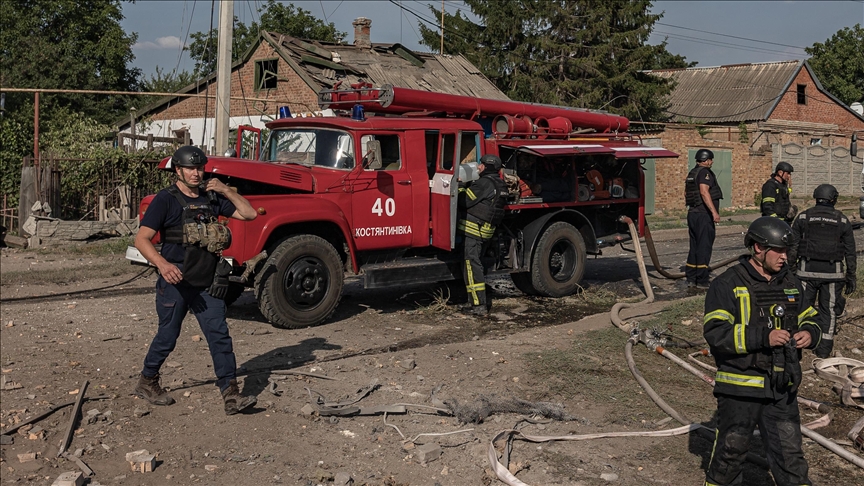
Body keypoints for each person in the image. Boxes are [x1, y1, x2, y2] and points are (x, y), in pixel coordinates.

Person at [133, 146, 259, 415]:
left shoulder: (212, 198)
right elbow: (141, 239)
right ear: (178, 170)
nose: (196, 172)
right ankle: (147, 380)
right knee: (168, 335)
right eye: (190, 168)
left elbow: (249, 214)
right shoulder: (165, 200)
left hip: (207, 279)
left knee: (219, 335)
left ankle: (231, 393)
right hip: (175, 278)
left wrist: (226, 190)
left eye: (200, 167)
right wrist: (162, 264)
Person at [703, 216, 821, 486]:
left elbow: (810, 316)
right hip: (740, 388)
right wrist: (763, 337)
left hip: (782, 386)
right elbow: (716, 333)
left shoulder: (790, 283)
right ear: (757, 248)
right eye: (778, 250)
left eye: (787, 251)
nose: (784, 257)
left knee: (791, 458)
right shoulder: (727, 284)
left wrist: (809, 333)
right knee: (730, 455)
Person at [788, 184, 857, 358]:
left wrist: (791, 269)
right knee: (829, 310)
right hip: (833, 275)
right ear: (833, 199)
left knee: (802, 309)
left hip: (805, 273)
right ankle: (824, 348)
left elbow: (793, 246)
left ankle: (799, 343)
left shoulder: (803, 217)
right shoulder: (842, 220)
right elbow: (850, 251)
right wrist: (851, 276)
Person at [457, 154, 509, 316]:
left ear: (488, 167)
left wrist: (459, 186)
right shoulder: (499, 183)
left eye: (481, 165)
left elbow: (464, 201)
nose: (478, 167)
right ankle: (476, 301)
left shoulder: (483, 183)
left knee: (472, 265)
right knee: (474, 264)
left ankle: (478, 305)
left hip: (474, 230)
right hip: (485, 230)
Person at [684, 148, 723, 289]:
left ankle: (691, 277)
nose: (712, 162)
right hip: (703, 215)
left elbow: (685, 193)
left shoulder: (692, 173)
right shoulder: (704, 173)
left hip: (693, 213)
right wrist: (714, 212)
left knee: (694, 246)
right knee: (704, 247)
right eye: (711, 159)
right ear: (706, 160)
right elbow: (704, 192)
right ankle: (701, 280)